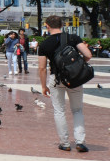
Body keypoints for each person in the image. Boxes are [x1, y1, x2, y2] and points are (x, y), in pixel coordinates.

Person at [38, 15, 91, 153]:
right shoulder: (73, 38)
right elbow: (88, 55)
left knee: (59, 111)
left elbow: (42, 68)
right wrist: (79, 65)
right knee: (77, 110)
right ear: (62, 24)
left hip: (56, 79)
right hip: (74, 78)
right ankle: (80, 141)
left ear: (47, 26)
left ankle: (65, 143)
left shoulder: (44, 44)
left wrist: (44, 86)